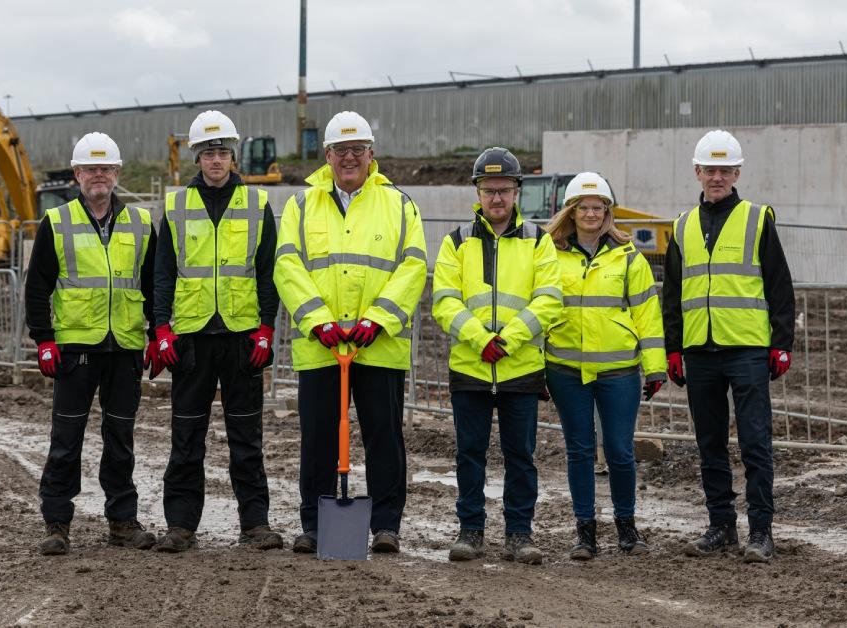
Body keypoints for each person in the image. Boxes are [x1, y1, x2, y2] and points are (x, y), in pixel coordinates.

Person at [275, 111, 427, 555]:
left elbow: (413, 265)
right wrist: (316, 319)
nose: (349, 158)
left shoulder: (399, 204)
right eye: (341, 150)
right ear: (327, 155)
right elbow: (287, 265)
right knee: (318, 438)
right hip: (321, 346)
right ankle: (315, 524)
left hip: (377, 345)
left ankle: (385, 525)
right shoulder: (301, 206)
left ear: (371, 154)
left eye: (357, 150)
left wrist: (378, 319)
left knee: (384, 436)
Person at [149, 111, 282, 552]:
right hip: (191, 338)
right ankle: (181, 525)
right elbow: (163, 273)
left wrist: (266, 327)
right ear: (197, 158)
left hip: (242, 337)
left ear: (233, 156)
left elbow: (268, 272)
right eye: (208, 153)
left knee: (247, 438)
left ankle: (255, 524)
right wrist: (161, 329)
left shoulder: (257, 204)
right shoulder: (175, 206)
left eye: (223, 152)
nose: (216, 161)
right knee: (186, 437)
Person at [661, 129, 795, 563]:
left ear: (737, 172)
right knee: (710, 443)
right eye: (709, 170)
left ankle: (760, 531)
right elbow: (673, 292)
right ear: (697, 172)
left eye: (725, 170)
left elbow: (779, 285)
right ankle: (721, 525)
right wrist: (673, 348)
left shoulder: (757, 219)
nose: (717, 177)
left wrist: (781, 343)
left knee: (755, 442)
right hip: (700, 350)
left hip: (748, 349)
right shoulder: (681, 227)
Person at [25, 132, 157, 555]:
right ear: (77, 174)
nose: (98, 176)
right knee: (67, 438)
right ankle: (57, 523)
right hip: (75, 348)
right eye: (90, 169)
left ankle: (122, 521)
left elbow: (153, 285)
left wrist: (159, 331)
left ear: (116, 174)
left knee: (121, 438)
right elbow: (37, 286)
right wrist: (44, 340)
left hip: (124, 348)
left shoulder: (139, 223)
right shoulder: (57, 221)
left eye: (106, 168)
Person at [431, 147, 562, 565]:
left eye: (504, 190)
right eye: (489, 190)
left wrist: (506, 340)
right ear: (478, 192)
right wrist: (477, 338)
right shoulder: (456, 242)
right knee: (469, 453)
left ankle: (519, 533)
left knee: (520, 456)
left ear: (517, 191)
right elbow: (444, 301)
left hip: (520, 368)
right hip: (470, 368)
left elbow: (549, 300)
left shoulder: (539, 242)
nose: (497, 198)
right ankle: (470, 530)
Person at [542, 172, 665, 560]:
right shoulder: (549, 254)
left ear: (608, 212)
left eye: (598, 207)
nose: (591, 214)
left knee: (619, 451)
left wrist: (655, 366)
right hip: (565, 369)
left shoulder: (628, 256)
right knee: (579, 450)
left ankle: (627, 529)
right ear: (571, 212)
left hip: (619, 371)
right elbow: (539, 310)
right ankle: (585, 533)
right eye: (584, 207)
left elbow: (647, 313)